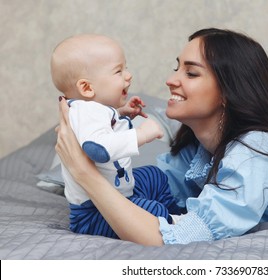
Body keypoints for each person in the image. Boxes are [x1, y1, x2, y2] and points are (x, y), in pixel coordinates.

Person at [55, 28, 268, 246]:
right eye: (176, 67)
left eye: (190, 72)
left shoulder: (255, 148)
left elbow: (170, 238)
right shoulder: (199, 147)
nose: (171, 80)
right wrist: (89, 160)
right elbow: (161, 183)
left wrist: (87, 177)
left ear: (229, 91)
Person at [51, 34, 181, 238]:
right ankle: (175, 221)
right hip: (95, 213)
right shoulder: (86, 112)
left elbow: (98, 127)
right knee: (152, 210)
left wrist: (120, 113)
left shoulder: (90, 110)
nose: (128, 75)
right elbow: (98, 148)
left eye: (125, 68)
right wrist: (142, 133)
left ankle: (175, 210)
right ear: (86, 87)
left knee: (153, 176)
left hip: (120, 190)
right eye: (118, 71)